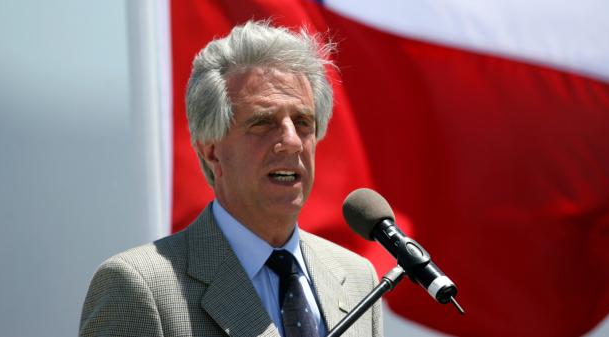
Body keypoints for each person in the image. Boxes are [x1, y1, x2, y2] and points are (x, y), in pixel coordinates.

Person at [79, 20, 382, 337]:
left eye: (303, 122)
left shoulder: (358, 278)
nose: (292, 140)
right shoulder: (139, 286)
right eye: (264, 123)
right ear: (212, 151)